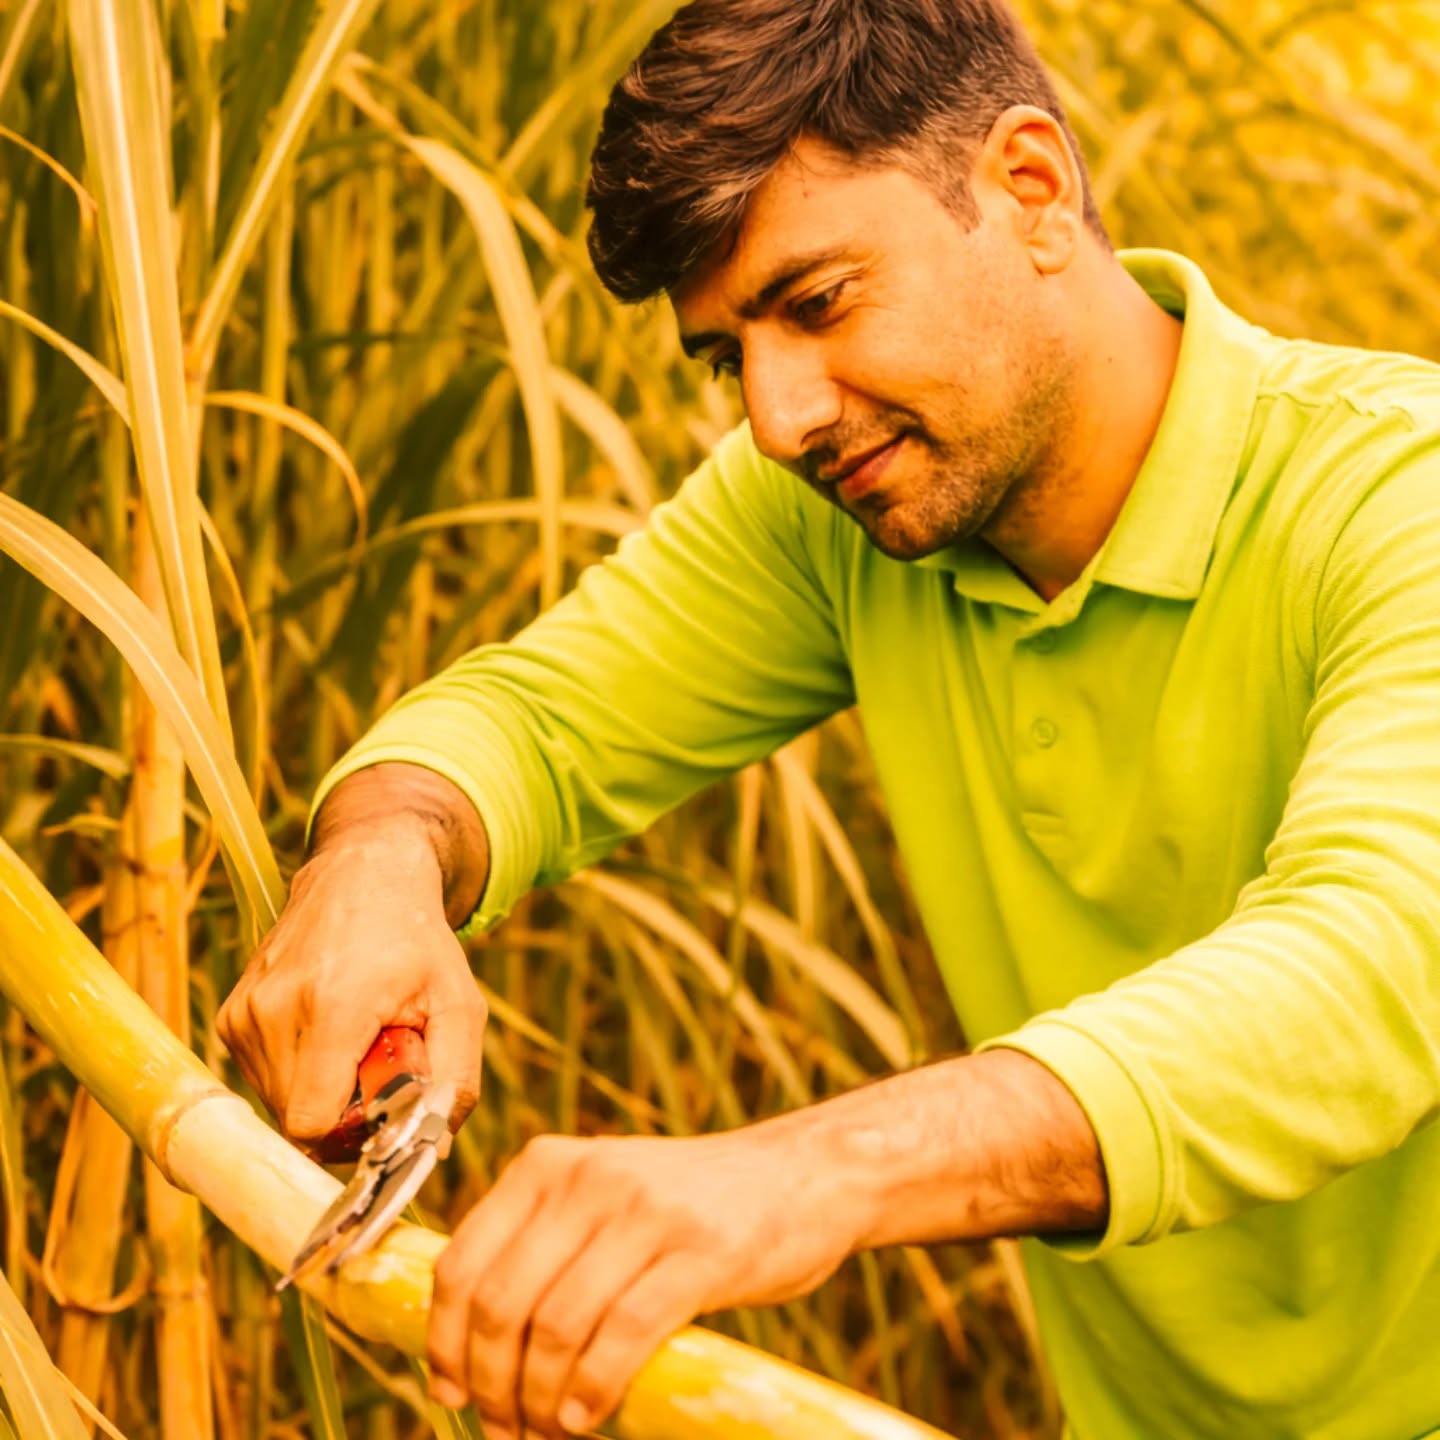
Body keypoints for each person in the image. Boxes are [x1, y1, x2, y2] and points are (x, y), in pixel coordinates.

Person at [217, 1, 1440, 1436]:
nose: (782, 418)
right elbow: (535, 722)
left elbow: (1372, 967)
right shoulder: (845, 504)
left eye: (817, 303)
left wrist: (814, 1172)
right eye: (728, 358)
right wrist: (379, 865)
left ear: (1029, 189)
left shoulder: (1395, 494)